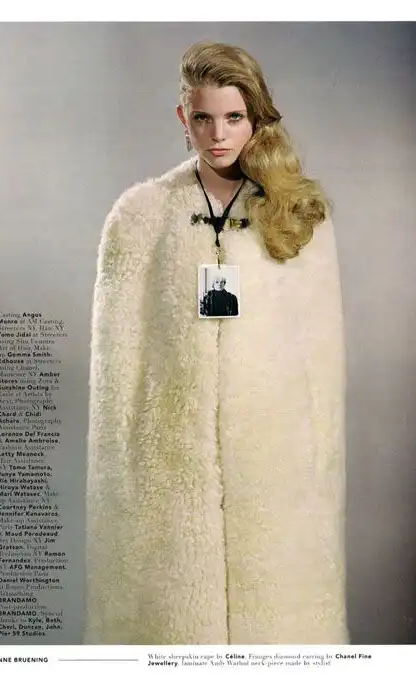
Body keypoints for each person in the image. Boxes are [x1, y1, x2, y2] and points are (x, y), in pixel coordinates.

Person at [85, 41, 347, 645]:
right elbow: (113, 370)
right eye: (203, 117)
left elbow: (323, 366)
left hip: (277, 471)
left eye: (233, 117)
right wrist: (128, 477)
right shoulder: (140, 216)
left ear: (255, 117)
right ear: (184, 117)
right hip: (168, 474)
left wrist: (316, 471)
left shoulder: (299, 213)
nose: (218, 134)